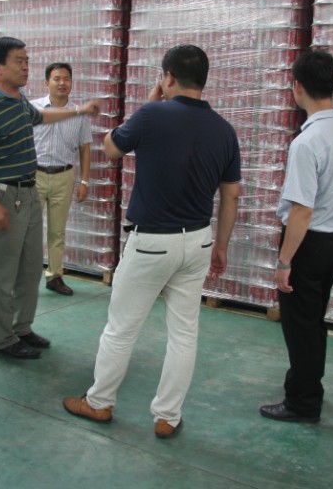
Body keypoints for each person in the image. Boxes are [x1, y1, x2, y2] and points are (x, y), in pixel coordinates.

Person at [62, 44, 241, 440]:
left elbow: (111, 148)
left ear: (168, 78)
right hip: (198, 242)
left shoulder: (151, 115)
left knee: (122, 327)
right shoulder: (225, 131)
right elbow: (231, 196)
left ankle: (99, 402)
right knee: (184, 333)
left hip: (151, 244)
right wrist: (221, 246)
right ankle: (168, 416)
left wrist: (147, 105)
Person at [0, 37, 101, 360]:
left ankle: (21, 327)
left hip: (28, 191)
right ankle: (2, 339)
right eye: (19, 61)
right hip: (4, 193)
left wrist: (78, 110)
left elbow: (39, 118)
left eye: (27, 60)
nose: (26, 66)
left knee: (29, 268)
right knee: (0, 272)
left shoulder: (18, 99)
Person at [260, 50, 333, 424]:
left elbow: (302, 211)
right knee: (314, 322)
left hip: (308, 244)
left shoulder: (308, 142)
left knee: (300, 328)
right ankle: (310, 388)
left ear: (297, 87)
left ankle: (303, 403)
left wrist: (284, 262)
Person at [32, 62, 93, 296]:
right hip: (34, 176)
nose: (62, 83)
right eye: (57, 78)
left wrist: (84, 182)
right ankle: (27, 277)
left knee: (57, 231)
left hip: (64, 176)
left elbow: (85, 148)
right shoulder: (33, 109)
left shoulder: (79, 114)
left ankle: (54, 276)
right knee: (30, 229)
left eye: (66, 79)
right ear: (46, 83)